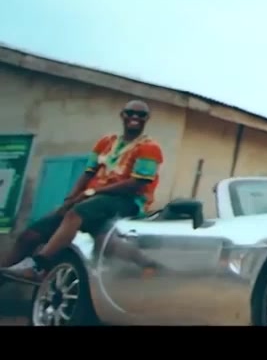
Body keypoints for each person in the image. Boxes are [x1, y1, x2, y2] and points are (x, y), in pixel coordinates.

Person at [2, 100, 164, 281]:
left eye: (141, 114)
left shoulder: (149, 147)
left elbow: (137, 183)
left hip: (127, 200)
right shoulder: (106, 142)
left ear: (147, 119)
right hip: (93, 201)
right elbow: (88, 173)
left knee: (77, 214)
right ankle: (4, 274)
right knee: (31, 235)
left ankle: (39, 266)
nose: (135, 117)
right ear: (122, 115)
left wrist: (93, 192)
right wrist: (70, 199)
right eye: (130, 112)